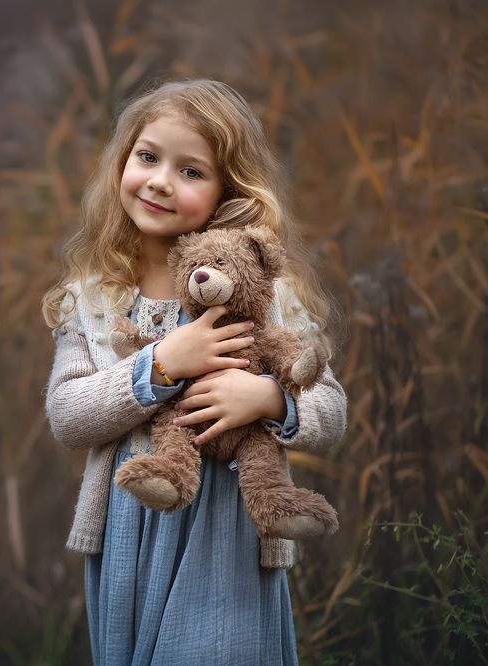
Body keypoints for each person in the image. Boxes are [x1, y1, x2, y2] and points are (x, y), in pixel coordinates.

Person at [42, 80, 347, 665]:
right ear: (124, 159)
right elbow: (67, 416)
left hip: (227, 528)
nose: (159, 181)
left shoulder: (260, 293)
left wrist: (267, 398)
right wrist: (159, 365)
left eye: (191, 171)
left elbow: (330, 410)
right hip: (131, 524)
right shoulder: (95, 300)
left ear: (227, 190)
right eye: (148, 157)